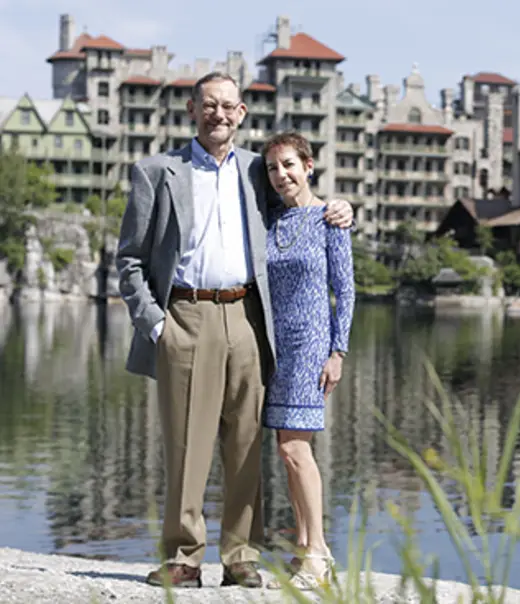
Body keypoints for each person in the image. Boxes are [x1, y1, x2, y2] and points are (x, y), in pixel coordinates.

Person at [116, 71, 353, 589]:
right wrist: (156, 325)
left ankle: (241, 555)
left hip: (248, 316)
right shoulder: (156, 171)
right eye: (208, 105)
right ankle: (183, 557)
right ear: (191, 109)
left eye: (228, 106)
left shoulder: (255, 170)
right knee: (186, 443)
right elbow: (129, 260)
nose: (218, 114)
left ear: (241, 113)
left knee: (246, 443)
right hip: (185, 315)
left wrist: (340, 207)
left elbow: (299, 200)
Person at [260, 131, 354, 590]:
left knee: (297, 448)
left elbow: (346, 290)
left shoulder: (330, 220)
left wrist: (338, 351)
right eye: (273, 168)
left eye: (289, 165)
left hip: (311, 343)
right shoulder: (270, 221)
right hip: (273, 346)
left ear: (308, 166)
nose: (281, 175)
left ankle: (318, 552)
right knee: (286, 448)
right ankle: (303, 546)